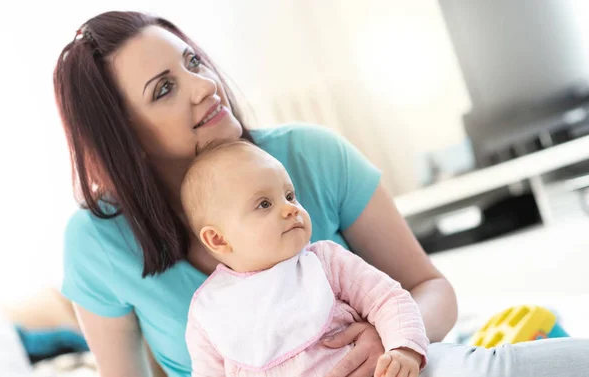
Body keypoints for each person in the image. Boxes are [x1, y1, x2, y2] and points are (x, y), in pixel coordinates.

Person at [53, 10, 589, 377]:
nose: (204, 86)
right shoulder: (97, 243)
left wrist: (389, 343)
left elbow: (430, 287)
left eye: (193, 62)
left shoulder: (311, 154)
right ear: (125, 138)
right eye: (164, 89)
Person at [181, 140, 428, 377]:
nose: (291, 208)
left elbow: (388, 299)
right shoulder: (208, 311)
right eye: (264, 204)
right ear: (218, 239)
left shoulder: (327, 262)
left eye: (289, 196)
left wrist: (403, 349)